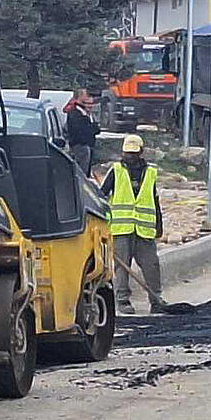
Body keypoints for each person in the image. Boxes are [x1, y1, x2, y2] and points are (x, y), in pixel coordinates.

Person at [101, 135, 164, 314]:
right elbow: (101, 197)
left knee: (151, 264)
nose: (130, 156)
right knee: (121, 266)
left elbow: (154, 199)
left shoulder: (150, 172)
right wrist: (105, 223)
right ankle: (122, 300)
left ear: (141, 152)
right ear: (123, 152)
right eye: (128, 153)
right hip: (121, 229)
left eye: (134, 153)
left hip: (144, 229)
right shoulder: (116, 171)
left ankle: (156, 299)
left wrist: (159, 224)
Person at [64, 88, 100, 174]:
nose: (89, 105)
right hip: (81, 147)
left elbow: (96, 129)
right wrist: (92, 128)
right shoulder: (76, 114)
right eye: (86, 96)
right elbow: (82, 131)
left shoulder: (85, 113)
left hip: (86, 146)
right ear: (79, 98)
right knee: (82, 173)